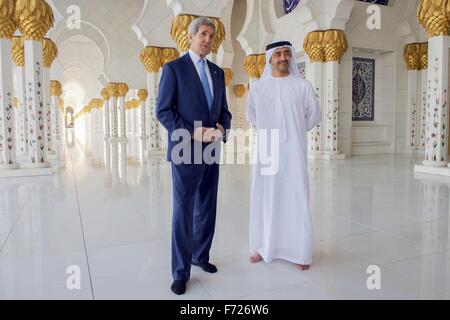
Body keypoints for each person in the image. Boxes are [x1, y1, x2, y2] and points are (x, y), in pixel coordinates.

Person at [156, 17, 232, 295]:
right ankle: (180, 271)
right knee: (183, 210)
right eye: (202, 34)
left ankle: (200, 256)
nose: (207, 40)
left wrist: (224, 127)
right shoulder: (174, 69)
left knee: (207, 206)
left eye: (211, 36)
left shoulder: (217, 72)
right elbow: (164, 111)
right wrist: (193, 132)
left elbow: (224, 109)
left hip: (212, 148)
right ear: (190, 37)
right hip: (184, 147)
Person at [246, 40, 321, 270]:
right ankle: (263, 246)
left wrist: (295, 131)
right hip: (268, 148)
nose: (282, 58)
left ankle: (299, 252)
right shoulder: (258, 87)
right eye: (278, 54)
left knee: (295, 196)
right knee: (267, 195)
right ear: (270, 58)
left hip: (294, 150)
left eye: (286, 54)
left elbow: (314, 116)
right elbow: (252, 115)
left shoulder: (303, 86)